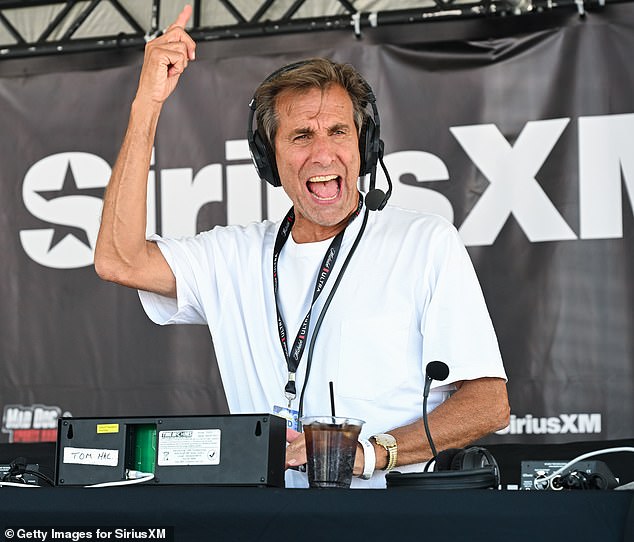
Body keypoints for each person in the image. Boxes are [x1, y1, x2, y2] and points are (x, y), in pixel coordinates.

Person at [95, 5, 510, 488]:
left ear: (366, 145)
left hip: (394, 518)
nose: (322, 153)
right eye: (300, 136)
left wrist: (371, 454)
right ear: (269, 158)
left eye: (338, 131)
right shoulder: (234, 256)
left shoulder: (424, 241)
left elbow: (488, 403)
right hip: (272, 521)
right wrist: (147, 102)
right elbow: (118, 259)